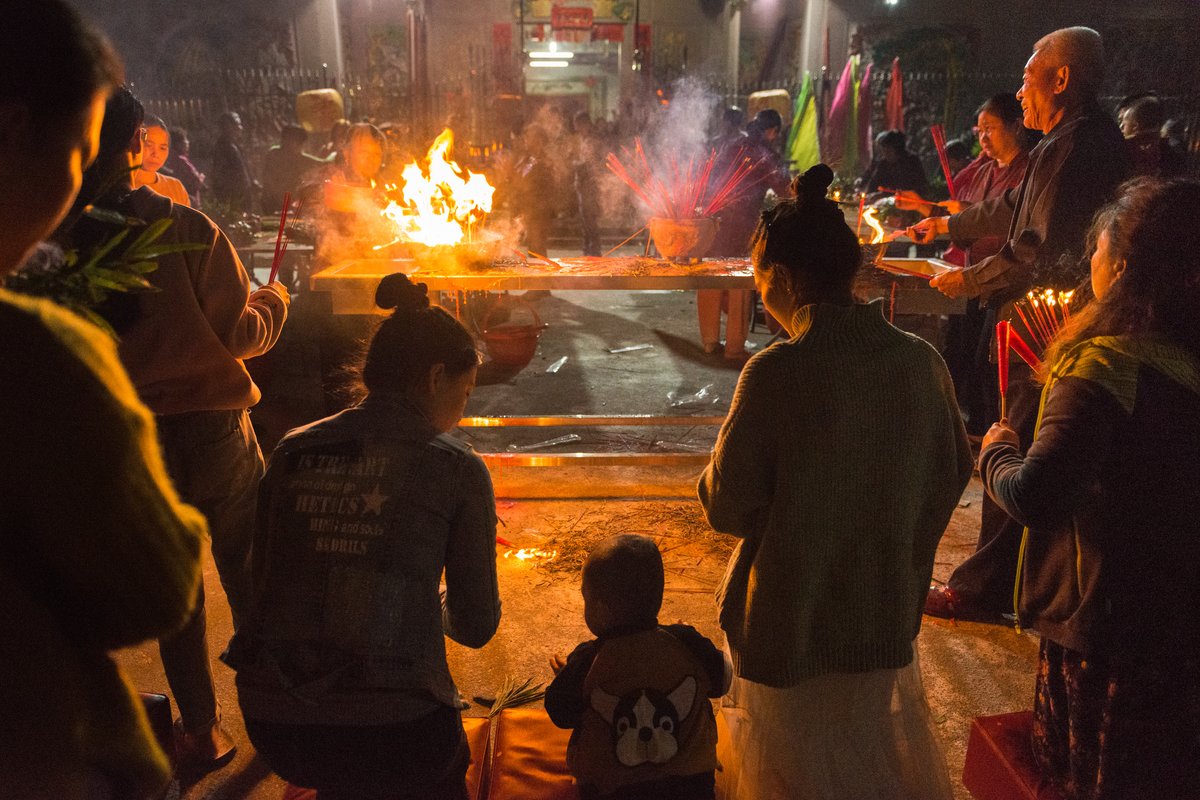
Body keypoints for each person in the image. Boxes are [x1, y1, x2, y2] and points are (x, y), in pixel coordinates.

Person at [699, 164, 971, 799]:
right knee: (865, 757)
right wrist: (900, 543)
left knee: (788, 767)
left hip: (791, 615)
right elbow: (951, 471)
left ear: (785, 281)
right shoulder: (920, 363)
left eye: (761, 282)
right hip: (880, 609)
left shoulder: (777, 371)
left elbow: (728, 504)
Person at [0, 4, 206, 798]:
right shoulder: (32, 356)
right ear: (13, 129)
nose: (81, 184)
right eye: (82, 150)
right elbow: (150, 589)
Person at [59, 85, 291, 776]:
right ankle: (278, 717)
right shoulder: (186, 227)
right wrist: (276, 302)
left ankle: (200, 728)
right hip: (216, 431)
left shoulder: (59, 246)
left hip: (134, 439)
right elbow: (239, 334)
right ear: (137, 145)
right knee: (249, 574)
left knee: (179, 592)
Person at [225, 272, 500, 800]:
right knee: (436, 765)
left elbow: (265, 583)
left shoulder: (290, 451)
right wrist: (428, 599)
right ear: (435, 377)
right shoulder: (455, 468)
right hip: (397, 733)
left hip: (276, 724)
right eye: (464, 393)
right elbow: (475, 626)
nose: (462, 410)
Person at [979, 177, 1200, 799]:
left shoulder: (1102, 364)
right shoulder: (1186, 360)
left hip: (1107, 632)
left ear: (1123, 267)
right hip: (1180, 624)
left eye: (1097, 251)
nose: (1089, 262)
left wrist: (998, 453)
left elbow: (1036, 497)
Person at [909, 27, 1131, 622]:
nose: (1020, 88)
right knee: (1008, 436)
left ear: (1062, 79)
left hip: (1047, 324)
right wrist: (944, 228)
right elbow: (1010, 211)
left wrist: (970, 278)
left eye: (1030, 75)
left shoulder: (1084, 147)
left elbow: (1039, 249)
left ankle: (986, 589)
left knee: (1015, 442)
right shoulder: (1058, 143)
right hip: (1031, 318)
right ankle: (1006, 582)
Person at [545, 534, 728, 800]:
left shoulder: (588, 659)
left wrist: (568, 677)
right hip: (691, 788)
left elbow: (560, 713)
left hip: (611, 791)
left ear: (601, 609)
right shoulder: (687, 642)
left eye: (586, 598)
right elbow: (722, 681)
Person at [898, 94, 1035, 434]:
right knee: (960, 353)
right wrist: (934, 216)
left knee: (989, 362)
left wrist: (952, 220)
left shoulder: (1029, 171)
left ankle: (993, 434)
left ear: (1017, 126)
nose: (983, 138)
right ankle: (972, 431)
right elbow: (966, 220)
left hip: (1004, 278)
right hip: (971, 276)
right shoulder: (984, 171)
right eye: (979, 131)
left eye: (991, 129)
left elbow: (997, 221)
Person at [703, 108, 791, 361]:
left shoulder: (732, 142)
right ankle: (734, 348)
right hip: (741, 222)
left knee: (709, 275)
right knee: (738, 281)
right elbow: (785, 187)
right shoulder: (764, 152)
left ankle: (709, 341)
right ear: (772, 130)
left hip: (713, 216)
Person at [261, 123, 325, 213]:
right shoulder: (274, 155)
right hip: (273, 204)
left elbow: (320, 163)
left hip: (289, 205)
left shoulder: (298, 157)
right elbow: (269, 182)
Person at [1119, 95, 1186, 178]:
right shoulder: (1168, 150)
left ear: (1135, 126)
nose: (1121, 127)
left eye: (1124, 123)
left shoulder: (1122, 148)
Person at [132, 115, 190, 206]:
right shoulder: (123, 187)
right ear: (135, 144)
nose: (156, 154)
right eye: (149, 145)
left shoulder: (175, 187)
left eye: (162, 148)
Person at [209, 110, 255, 215]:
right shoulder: (223, 147)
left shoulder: (234, 144)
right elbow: (220, 173)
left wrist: (251, 182)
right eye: (237, 124)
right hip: (233, 196)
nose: (240, 128)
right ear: (228, 126)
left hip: (241, 193)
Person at [859, 129, 929, 198]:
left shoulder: (911, 162)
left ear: (898, 150)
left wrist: (883, 194)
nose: (885, 154)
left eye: (888, 151)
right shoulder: (883, 163)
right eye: (884, 151)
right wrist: (866, 194)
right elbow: (874, 184)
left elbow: (912, 188)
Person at [572, 111, 603, 256]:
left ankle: (594, 250)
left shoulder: (592, 141)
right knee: (586, 219)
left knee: (590, 219)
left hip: (590, 185)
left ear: (585, 124)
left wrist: (576, 164)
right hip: (583, 185)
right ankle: (588, 248)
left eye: (578, 125)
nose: (576, 129)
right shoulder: (583, 140)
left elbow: (591, 163)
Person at [165, 126, 206, 206]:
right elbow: (196, 182)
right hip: (189, 201)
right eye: (186, 139)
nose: (188, 142)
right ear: (178, 144)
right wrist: (201, 177)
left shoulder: (170, 159)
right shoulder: (182, 161)